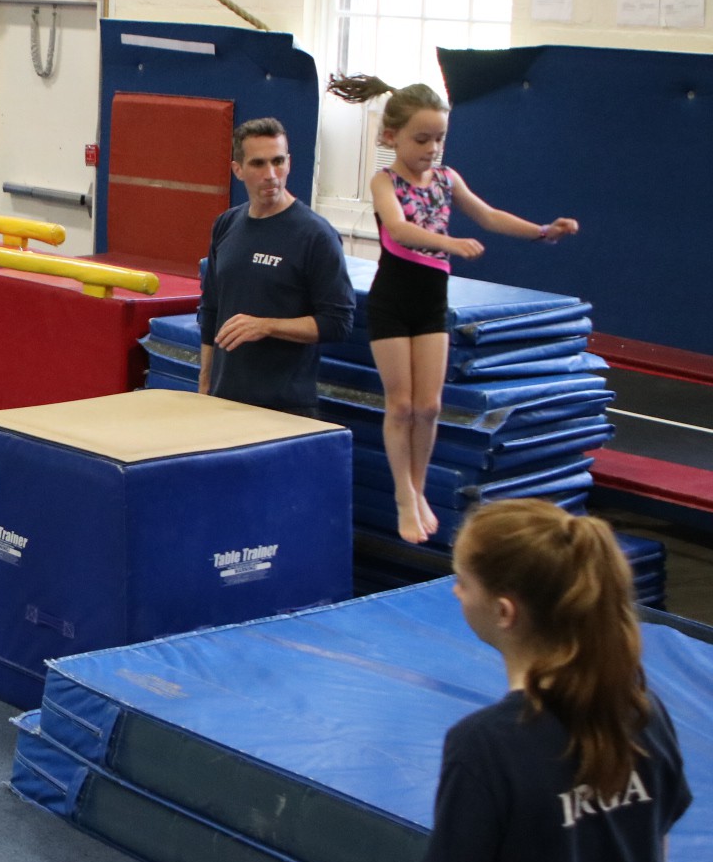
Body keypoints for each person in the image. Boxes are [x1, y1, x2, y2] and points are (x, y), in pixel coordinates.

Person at [415, 499, 690, 862]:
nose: (454, 592)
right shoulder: (642, 713)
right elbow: (652, 859)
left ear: (505, 610)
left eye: (461, 581)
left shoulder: (485, 746)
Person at [328, 75, 581, 544]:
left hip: (431, 302)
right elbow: (400, 231)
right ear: (391, 138)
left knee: (429, 406)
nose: (431, 149)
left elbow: (489, 216)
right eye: (421, 139)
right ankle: (404, 494)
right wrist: (449, 243)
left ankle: (419, 488)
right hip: (393, 299)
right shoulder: (385, 182)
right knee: (401, 405)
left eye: (439, 139)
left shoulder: (447, 179)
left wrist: (543, 231)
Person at [196, 118, 357, 418]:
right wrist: (205, 382)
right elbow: (211, 310)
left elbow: (339, 322)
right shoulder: (226, 225)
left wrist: (266, 326)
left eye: (278, 161)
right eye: (258, 164)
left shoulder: (316, 236)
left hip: (286, 408)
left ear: (289, 163)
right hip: (225, 401)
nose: (270, 175)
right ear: (238, 170)